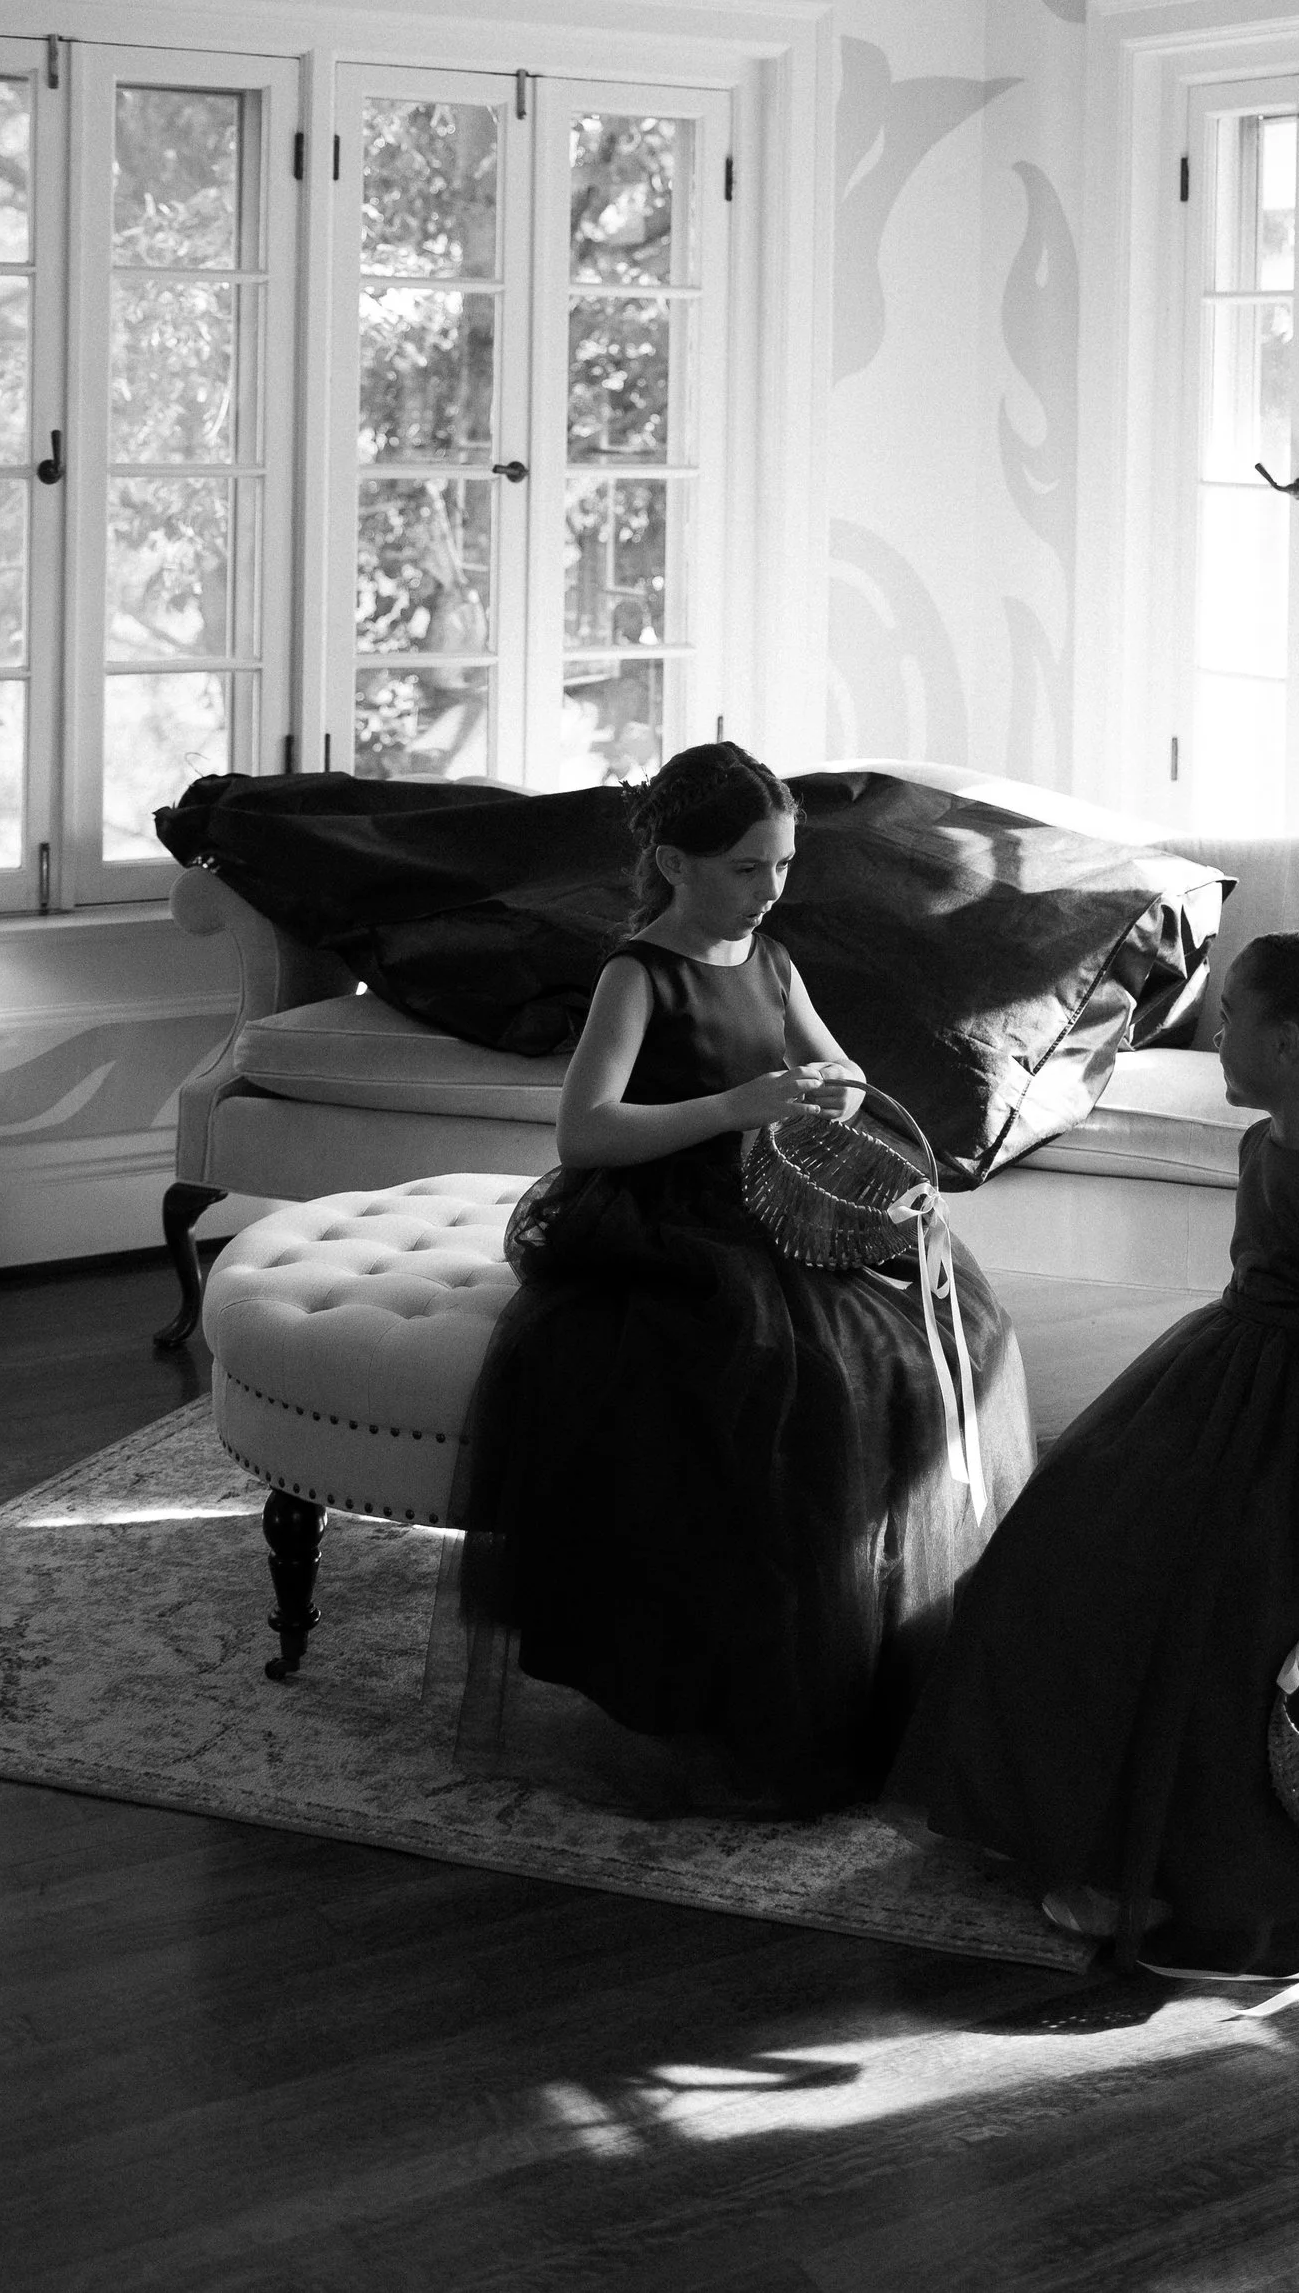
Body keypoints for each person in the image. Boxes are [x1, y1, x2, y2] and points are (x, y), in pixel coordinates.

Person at [891, 926, 1299, 1972]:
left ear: (1285, 1043)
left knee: (1211, 1632)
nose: (1218, 1034)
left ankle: (1179, 1871)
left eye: (1231, 1018)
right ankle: (1089, 1834)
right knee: (1060, 1560)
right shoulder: (1262, 1144)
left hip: (1297, 1437)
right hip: (1211, 1385)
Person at [456, 741, 1032, 1814]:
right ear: (674, 864)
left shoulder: (772, 960)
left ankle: (878, 1651)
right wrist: (736, 1107)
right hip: (671, 1218)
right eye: (746, 870)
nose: (771, 891)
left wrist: (831, 1093)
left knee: (934, 1341)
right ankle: (730, 1682)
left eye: (782, 866)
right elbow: (584, 1132)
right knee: (771, 1379)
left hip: (780, 1200)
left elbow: (841, 1067)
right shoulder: (640, 973)